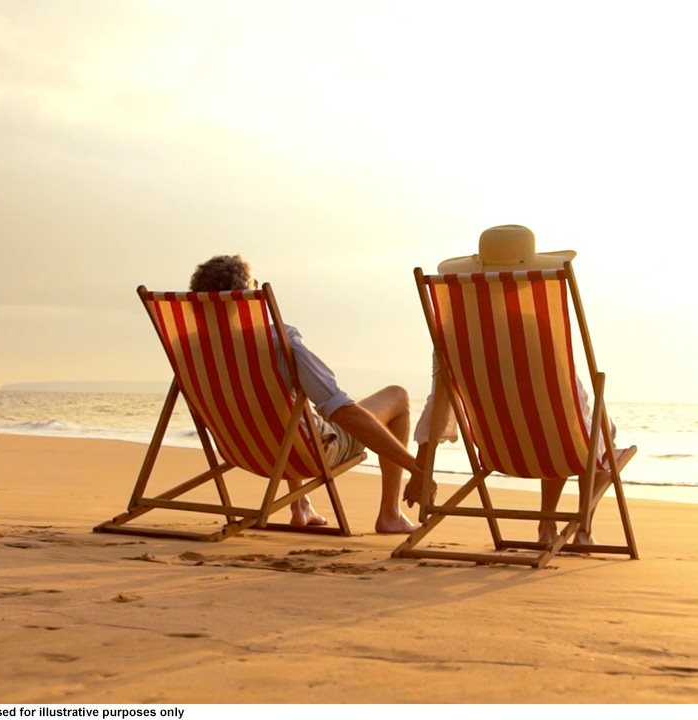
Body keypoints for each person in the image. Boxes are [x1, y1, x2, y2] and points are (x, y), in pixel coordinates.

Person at [403, 225, 615, 545]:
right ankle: (581, 529)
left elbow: (439, 401)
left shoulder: (451, 333)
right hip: (560, 444)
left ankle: (547, 526)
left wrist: (422, 468)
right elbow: (571, 404)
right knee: (592, 432)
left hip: (499, 450)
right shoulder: (540, 326)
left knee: (554, 429)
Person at [188, 254, 420, 534]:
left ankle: (300, 505)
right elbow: (340, 409)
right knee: (398, 396)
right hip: (303, 455)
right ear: (245, 298)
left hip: (243, 451)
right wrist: (416, 467)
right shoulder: (278, 342)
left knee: (287, 409)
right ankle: (390, 514)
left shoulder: (189, 348)